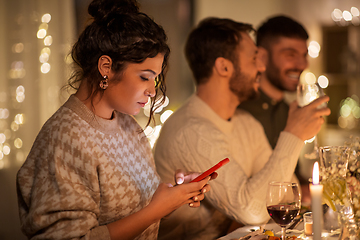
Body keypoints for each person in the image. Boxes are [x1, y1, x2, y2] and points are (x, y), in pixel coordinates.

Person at [16, 1, 213, 239]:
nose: (152, 91)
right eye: (144, 77)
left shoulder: (128, 125)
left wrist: (174, 196)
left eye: (156, 80)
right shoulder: (66, 137)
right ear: (106, 67)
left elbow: (139, 214)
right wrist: (156, 209)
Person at [154, 17, 330, 240]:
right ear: (224, 67)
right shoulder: (191, 130)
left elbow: (287, 191)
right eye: (254, 58)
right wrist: (294, 134)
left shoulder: (245, 122)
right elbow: (253, 210)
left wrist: (245, 212)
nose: (262, 66)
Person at [238, 15, 311, 198]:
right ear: (262, 57)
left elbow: (293, 174)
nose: (302, 64)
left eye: (304, 55)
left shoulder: (289, 111)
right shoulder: (239, 111)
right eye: (290, 55)